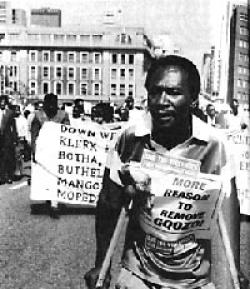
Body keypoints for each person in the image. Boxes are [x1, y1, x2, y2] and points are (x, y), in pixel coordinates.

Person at [84, 55, 244, 289]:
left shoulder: (215, 147)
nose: (161, 101)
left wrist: (234, 269)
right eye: (155, 92)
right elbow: (109, 202)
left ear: (193, 100)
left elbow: (229, 208)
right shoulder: (129, 140)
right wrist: (101, 264)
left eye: (173, 92)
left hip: (194, 279)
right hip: (138, 274)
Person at [31, 93, 70, 218]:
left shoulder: (63, 115)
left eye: (54, 104)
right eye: (49, 105)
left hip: (57, 151)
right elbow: (34, 135)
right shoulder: (38, 116)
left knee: (56, 177)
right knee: (45, 177)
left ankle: (54, 203)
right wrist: (34, 151)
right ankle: (49, 198)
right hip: (43, 152)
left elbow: (69, 134)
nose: (51, 107)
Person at [0, 95, 17, 185]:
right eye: (0, 102)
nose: (2, 104)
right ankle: (1, 177)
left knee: (8, 157)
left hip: (7, 138)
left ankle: (9, 176)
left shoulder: (10, 113)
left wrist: (15, 138)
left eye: (4, 102)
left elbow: (13, 127)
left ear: (6, 103)